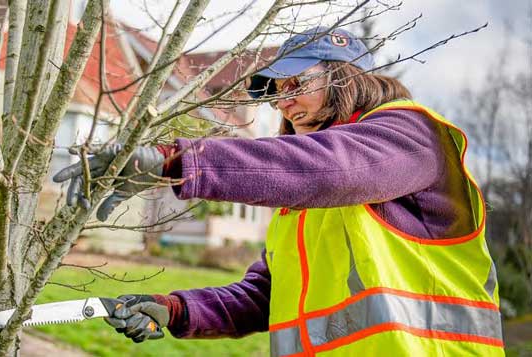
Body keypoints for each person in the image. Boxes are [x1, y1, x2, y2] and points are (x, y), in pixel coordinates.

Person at [53, 27, 505, 356]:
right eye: (275, 91)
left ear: (346, 77)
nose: (282, 101)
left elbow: (329, 169)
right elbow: (264, 296)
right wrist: (172, 308)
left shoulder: (409, 135)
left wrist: (176, 160)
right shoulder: (301, 198)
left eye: (294, 84)